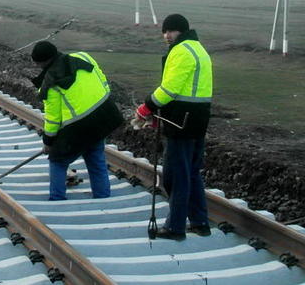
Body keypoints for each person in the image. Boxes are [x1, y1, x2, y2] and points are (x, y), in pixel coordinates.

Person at [134, 13, 213, 240]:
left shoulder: (181, 51)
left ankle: (175, 228)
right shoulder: (199, 49)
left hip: (182, 121)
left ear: (180, 31)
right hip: (198, 119)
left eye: (170, 31)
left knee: (175, 176)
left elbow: (169, 90)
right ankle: (200, 223)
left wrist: (146, 108)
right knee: (191, 174)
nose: (166, 36)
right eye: (164, 32)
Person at [30, 41, 123, 201]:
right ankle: (103, 197)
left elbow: (53, 118)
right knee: (95, 156)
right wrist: (104, 98)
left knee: (57, 160)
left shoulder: (49, 82)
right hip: (104, 114)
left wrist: (48, 141)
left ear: (41, 63)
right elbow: (101, 77)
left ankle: (57, 198)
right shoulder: (82, 56)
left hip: (79, 126)